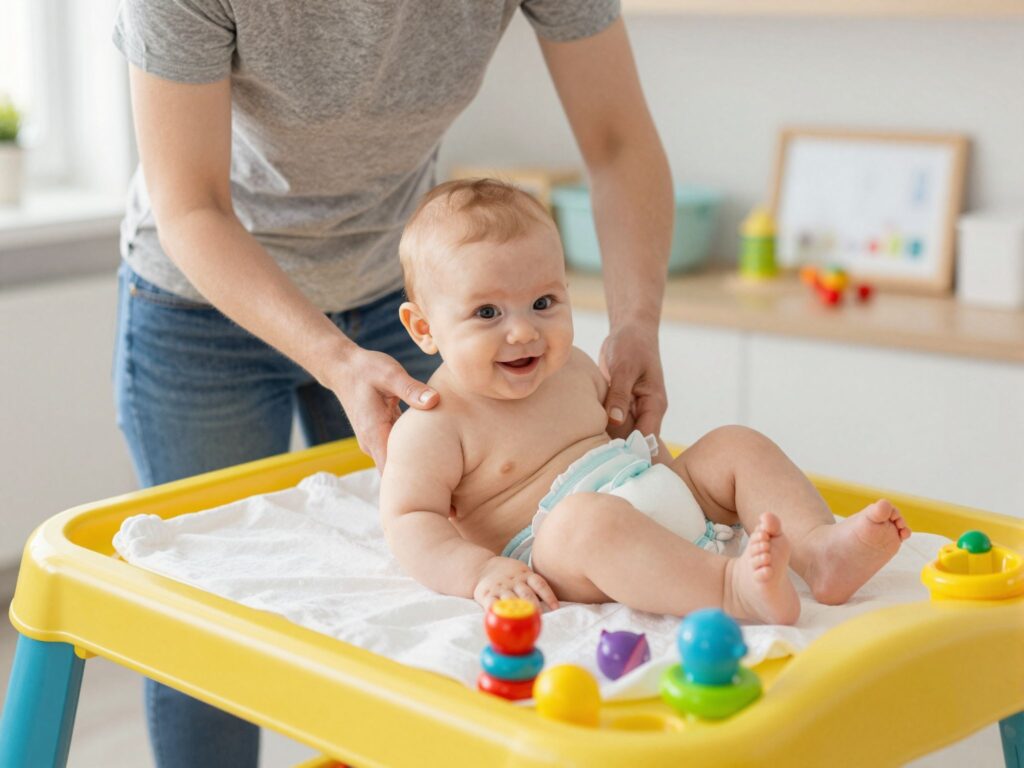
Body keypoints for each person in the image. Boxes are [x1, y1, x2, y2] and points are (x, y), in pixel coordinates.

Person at [111, 2, 672, 765]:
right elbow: (191, 203)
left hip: (399, 299)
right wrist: (332, 357)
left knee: (420, 603)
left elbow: (618, 142)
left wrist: (635, 322)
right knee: (200, 616)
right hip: (204, 309)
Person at [380, 178, 911, 624]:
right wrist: (480, 572)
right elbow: (410, 522)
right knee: (586, 522)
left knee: (734, 444)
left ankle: (819, 550)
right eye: (488, 314)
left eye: (543, 303)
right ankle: (730, 589)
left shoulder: (574, 366)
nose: (523, 333)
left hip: (648, 493)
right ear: (424, 328)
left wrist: (678, 487)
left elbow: (627, 441)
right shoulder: (434, 423)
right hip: (559, 548)